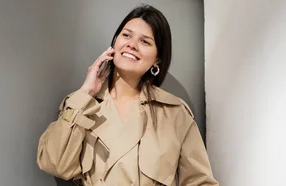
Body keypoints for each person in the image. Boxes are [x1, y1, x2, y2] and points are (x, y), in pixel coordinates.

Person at [36, 4, 218, 186]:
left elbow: (200, 182)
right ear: (115, 41)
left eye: (145, 41)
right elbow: (54, 164)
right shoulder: (81, 104)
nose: (132, 45)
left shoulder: (174, 113)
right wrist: (86, 92)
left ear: (157, 59)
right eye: (126, 35)